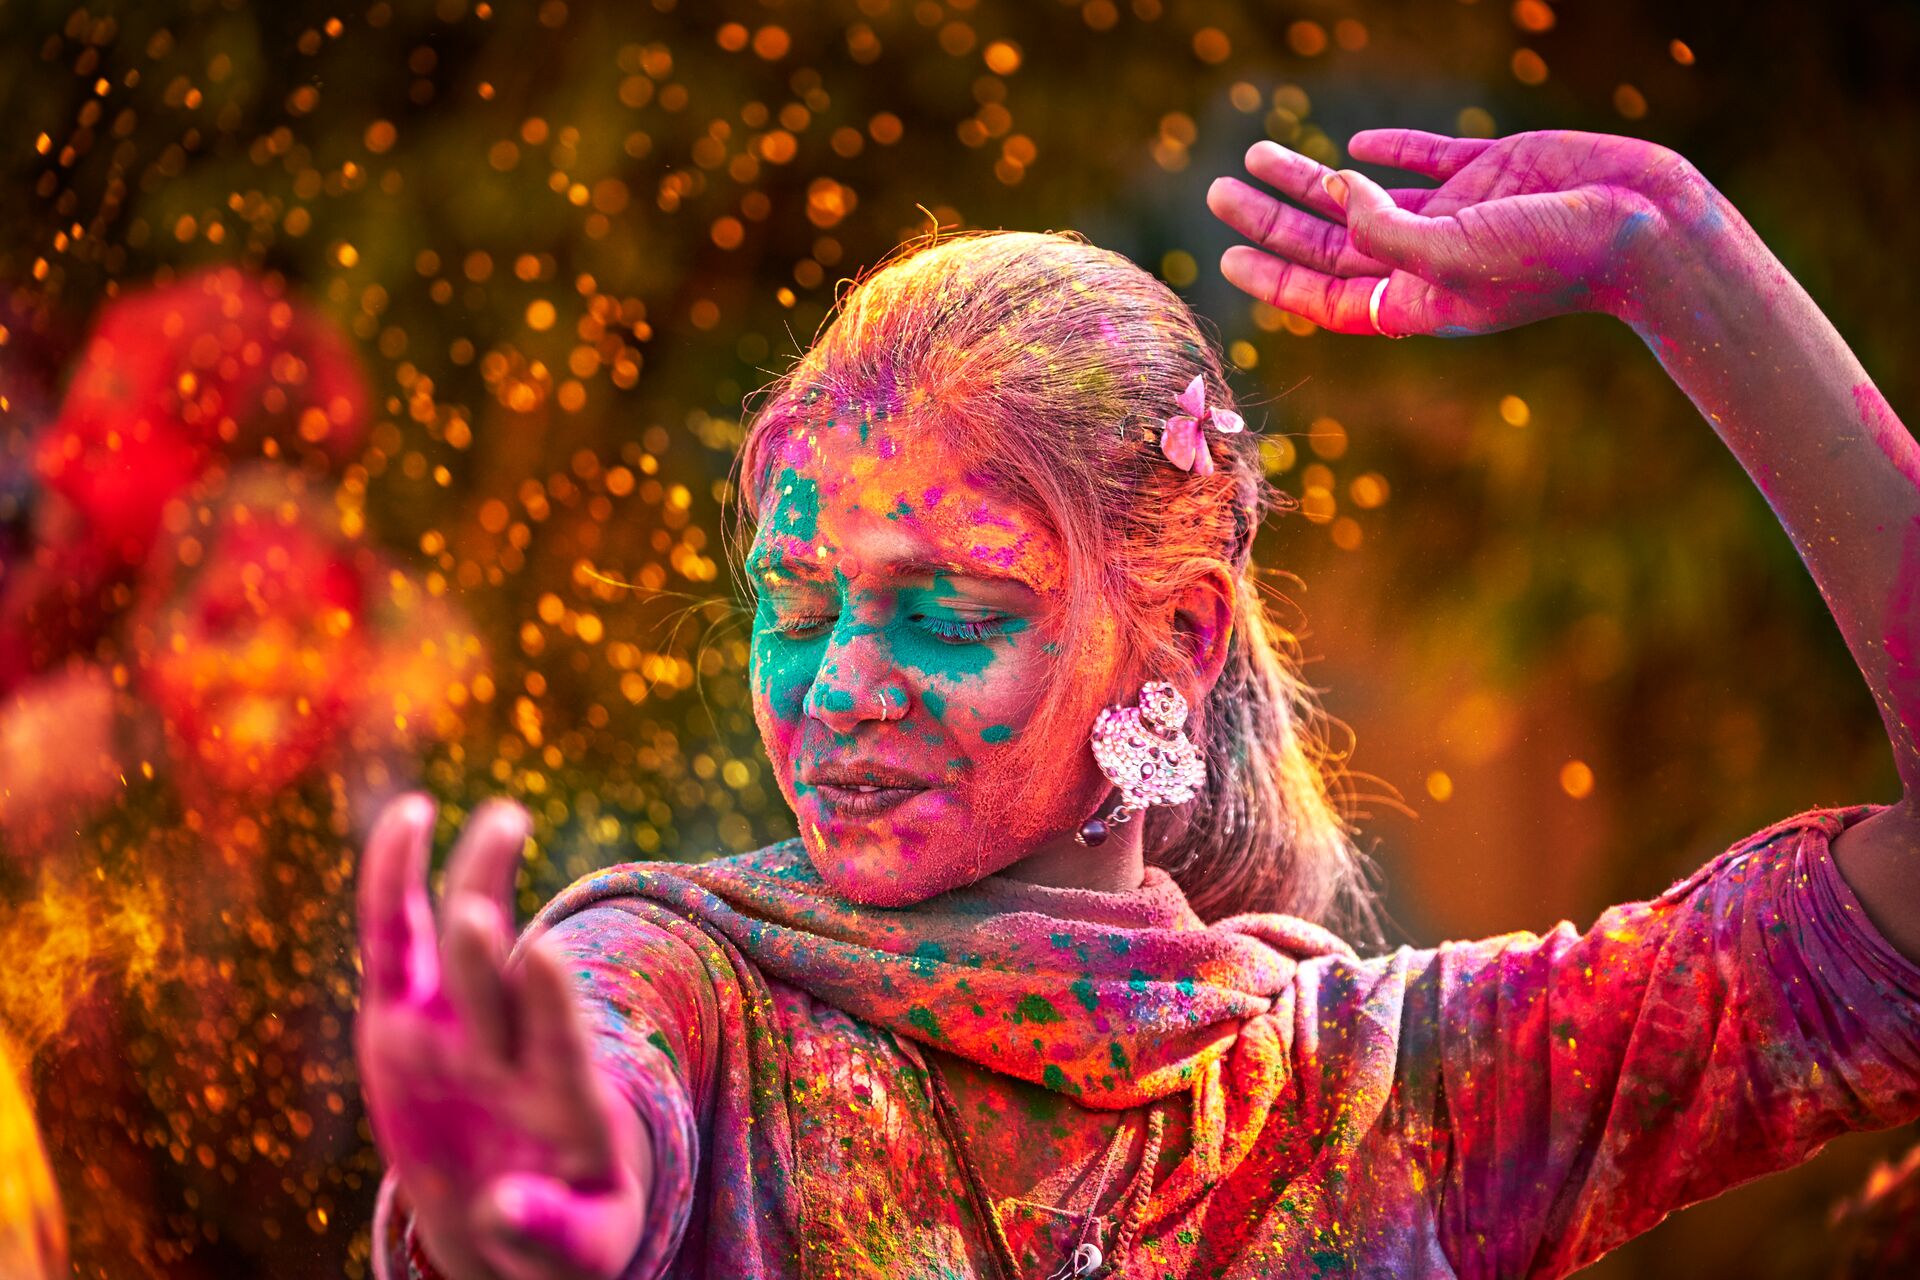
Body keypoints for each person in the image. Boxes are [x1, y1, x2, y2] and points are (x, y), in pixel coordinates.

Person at [356, 127, 1920, 1280]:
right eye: (800, 603)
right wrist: (534, 1211)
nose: (839, 685)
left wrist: (1674, 250)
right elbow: (583, 1125)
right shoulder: (680, 992)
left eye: (952, 610)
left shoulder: (1388, 1100)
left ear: (1175, 641)